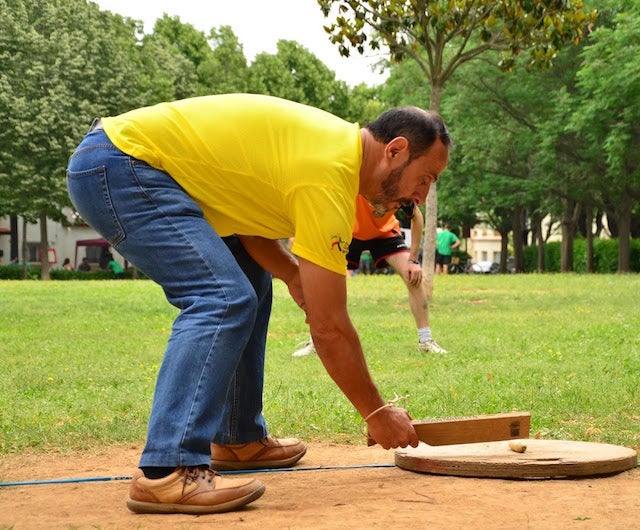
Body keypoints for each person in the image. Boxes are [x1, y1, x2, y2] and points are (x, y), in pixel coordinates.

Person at [66, 94, 449, 515]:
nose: (421, 194)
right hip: (123, 166)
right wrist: (376, 412)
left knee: (248, 279)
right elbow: (329, 327)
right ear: (395, 150)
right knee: (221, 297)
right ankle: (168, 470)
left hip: (128, 162)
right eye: (426, 177)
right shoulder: (329, 175)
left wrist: (289, 273)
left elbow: (249, 224)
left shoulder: (331, 151)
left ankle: (237, 438)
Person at [293, 196, 448, 357]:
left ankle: (426, 341)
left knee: (413, 276)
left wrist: (413, 260)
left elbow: (416, 215)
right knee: (325, 282)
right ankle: (317, 341)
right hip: (347, 231)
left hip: (385, 233)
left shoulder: (396, 186)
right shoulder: (350, 179)